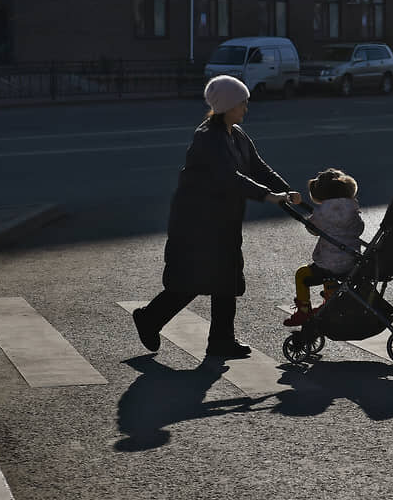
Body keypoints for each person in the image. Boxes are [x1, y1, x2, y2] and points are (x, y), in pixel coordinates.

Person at [131, 75, 301, 359]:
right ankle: (149, 318)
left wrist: (286, 190)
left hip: (223, 220)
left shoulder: (236, 135)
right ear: (228, 105)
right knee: (194, 280)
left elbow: (258, 167)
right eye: (242, 103)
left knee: (226, 279)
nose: (246, 108)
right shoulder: (207, 138)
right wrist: (268, 196)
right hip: (198, 222)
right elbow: (229, 177)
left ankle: (221, 341)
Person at [284, 168, 365, 327]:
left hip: (329, 263)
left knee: (302, 274)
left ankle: (304, 311)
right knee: (332, 272)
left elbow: (313, 229)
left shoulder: (323, 212)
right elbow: (359, 228)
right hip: (350, 262)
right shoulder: (353, 208)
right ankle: (329, 300)